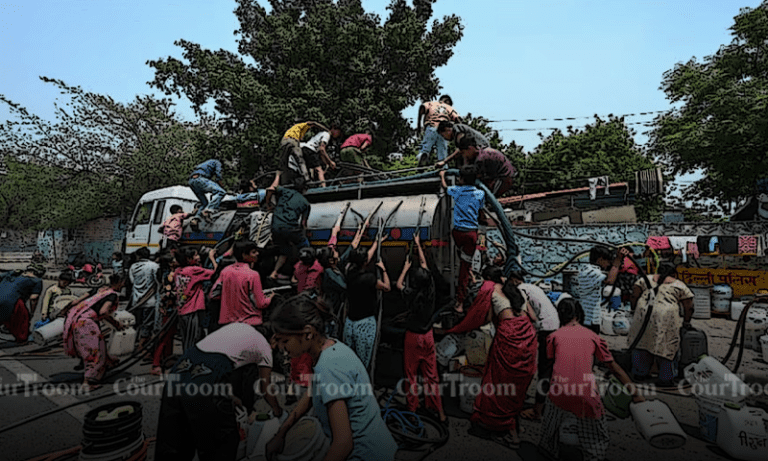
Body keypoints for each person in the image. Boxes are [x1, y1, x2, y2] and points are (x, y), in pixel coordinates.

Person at [266, 294, 398, 461]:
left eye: (285, 340)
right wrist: (282, 432)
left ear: (307, 333)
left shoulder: (328, 368)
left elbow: (343, 444)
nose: (281, 347)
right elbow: (312, 393)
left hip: (366, 453)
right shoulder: (331, 347)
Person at [155, 322, 283, 461]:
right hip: (205, 382)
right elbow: (266, 388)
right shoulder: (265, 347)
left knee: (174, 444)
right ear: (274, 338)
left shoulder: (238, 328)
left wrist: (231, 397)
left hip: (179, 372)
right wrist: (279, 412)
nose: (281, 348)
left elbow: (214, 360)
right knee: (222, 444)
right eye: (283, 342)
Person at [538, 298, 644, 461]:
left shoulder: (553, 337)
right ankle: (594, 456)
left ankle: (548, 448)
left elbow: (552, 361)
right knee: (596, 437)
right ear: (580, 315)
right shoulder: (594, 337)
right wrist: (635, 393)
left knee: (550, 423)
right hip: (585, 396)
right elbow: (615, 368)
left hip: (559, 392)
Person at [470, 278, 538, 448]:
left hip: (508, 338)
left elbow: (487, 319)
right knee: (518, 385)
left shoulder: (492, 293)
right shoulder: (519, 292)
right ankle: (515, 424)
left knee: (501, 384)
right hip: (527, 337)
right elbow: (533, 318)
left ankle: (511, 433)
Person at [396, 233, 448, 425]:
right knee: (431, 376)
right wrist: (419, 246)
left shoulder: (411, 294)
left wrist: (405, 268)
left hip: (413, 338)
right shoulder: (430, 290)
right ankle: (439, 412)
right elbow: (425, 267)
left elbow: (398, 284)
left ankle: (412, 409)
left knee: (411, 376)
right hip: (428, 337)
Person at [627, 262, 694, 387]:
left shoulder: (645, 279)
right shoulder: (679, 284)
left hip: (643, 312)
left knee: (642, 342)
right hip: (666, 315)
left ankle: (639, 373)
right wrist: (686, 322)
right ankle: (666, 378)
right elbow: (688, 307)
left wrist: (634, 310)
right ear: (674, 273)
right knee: (667, 345)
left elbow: (634, 295)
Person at [505, 271, 560, 421]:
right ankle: (546, 405)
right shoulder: (532, 287)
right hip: (554, 325)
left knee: (544, 371)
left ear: (514, 281)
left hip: (545, 329)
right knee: (549, 369)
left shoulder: (522, 290)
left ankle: (537, 411)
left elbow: (532, 316)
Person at [60, 274, 126, 390]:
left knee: (95, 346)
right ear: (120, 283)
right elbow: (103, 312)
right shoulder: (112, 295)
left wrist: (63, 311)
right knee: (93, 352)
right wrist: (116, 323)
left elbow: (76, 302)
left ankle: (107, 363)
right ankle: (88, 382)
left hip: (75, 319)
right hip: (87, 324)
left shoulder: (98, 289)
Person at [440, 165, 485, 313]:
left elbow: (445, 187)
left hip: (457, 232)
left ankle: (468, 282)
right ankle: (460, 301)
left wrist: (442, 175)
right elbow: (481, 211)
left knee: (462, 259)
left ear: (462, 179)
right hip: (471, 234)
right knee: (464, 266)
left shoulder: (457, 191)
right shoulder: (480, 193)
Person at [342, 231, 389, 369]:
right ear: (364, 263)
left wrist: (376, 242)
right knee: (362, 363)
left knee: (349, 360)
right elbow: (386, 287)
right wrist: (383, 270)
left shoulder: (348, 273)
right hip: (365, 324)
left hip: (350, 323)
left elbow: (364, 258)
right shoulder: (369, 278)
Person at [212, 241, 274, 329]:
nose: (257, 254)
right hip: (250, 324)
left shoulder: (225, 271)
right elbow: (261, 303)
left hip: (228, 324)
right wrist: (270, 298)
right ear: (244, 255)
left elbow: (214, 294)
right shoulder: (253, 275)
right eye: (253, 252)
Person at [571, 246, 629, 334]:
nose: (609, 264)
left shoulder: (586, 269)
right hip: (589, 318)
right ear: (600, 260)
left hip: (587, 315)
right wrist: (617, 262)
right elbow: (610, 281)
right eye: (608, 261)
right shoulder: (593, 272)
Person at [266, 177, 311, 281]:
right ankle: (296, 276)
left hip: (275, 227)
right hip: (290, 227)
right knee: (305, 248)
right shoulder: (305, 203)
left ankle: (274, 272)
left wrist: (268, 204)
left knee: (284, 250)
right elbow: (303, 224)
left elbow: (270, 189)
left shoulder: (285, 191)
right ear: (305, 188)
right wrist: (304, 233)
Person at [174, 247, 215, 352]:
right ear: (188, 259)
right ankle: (188, 363)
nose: (198, 257)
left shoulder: (178, 271)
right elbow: (216, 272)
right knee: (193, 339)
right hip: (192, 309)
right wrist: (212, 257)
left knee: (188, 338)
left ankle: (191, 361)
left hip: (182, 309)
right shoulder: (194, 270)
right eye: (196, 255)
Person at [446, 137, 517, 197]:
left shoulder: (482, 157)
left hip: (504, 177)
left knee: (486, 197)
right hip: (496, 175)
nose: (464, 156)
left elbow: (474, 174)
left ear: (470, 148)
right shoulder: (479, 151)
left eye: (463, 153)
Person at [274, 119, 330, 186]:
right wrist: (326, 129)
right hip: (293, 140)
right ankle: (307, 180)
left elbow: (301, 138)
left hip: (284, 141)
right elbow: (313, 123)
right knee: (300, 160)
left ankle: (283, 182)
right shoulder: (302, 125)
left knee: (284, 163)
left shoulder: (291, 129)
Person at [0, 264, 45, 343]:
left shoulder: (11, 274)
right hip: (9, 302)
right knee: (23, 316)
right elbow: (33, 298)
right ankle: (21, 337)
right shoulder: (37, 281)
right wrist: (31, 313)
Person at [128, 247, 160, 355]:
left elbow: (132, 281)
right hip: (150, 301)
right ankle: (142, 347)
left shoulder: (132, 267)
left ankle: (135, 344)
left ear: (139, 256)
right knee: (147, 325)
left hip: (136, 302)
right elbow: (158, 281)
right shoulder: (153, 266)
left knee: (137, 324)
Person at [416, 94, 461, 166]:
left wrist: (418, 125)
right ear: (447, 101)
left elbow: (422, 108)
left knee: (427, 145)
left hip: (431, 127)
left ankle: (423, 154)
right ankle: (443, 165)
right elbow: (457, 118)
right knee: (442, 150)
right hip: (444, 130)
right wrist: (462, 129)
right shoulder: (448, 107)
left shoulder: (431, 103)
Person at [188, 159, 226, 229]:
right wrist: (222, 185)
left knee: (204, 203)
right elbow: (218, 175)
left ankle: (195, 219)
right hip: (200, 179)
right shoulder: (217, 162)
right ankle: (208, 210)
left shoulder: (205, 163)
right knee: (221, 192)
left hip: (191, 181)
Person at [301, 122, 342, 187]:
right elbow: (322, 149)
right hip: (310, 149)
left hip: (304, 149)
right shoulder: (327, 135)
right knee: (319, 170)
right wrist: (330, 161)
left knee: (311, 169)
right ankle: (323, 187)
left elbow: (321, 154)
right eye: (338, 132)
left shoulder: (321, 134)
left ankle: (312, 185)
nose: (338, 134)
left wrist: (327, 164)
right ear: (333, 129)